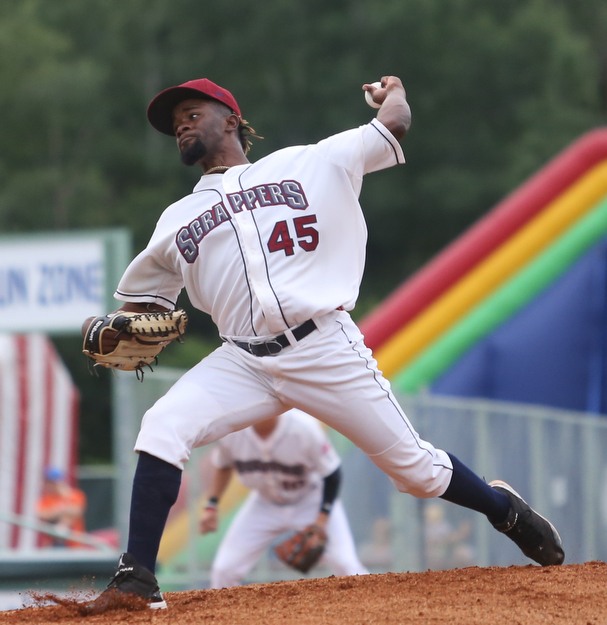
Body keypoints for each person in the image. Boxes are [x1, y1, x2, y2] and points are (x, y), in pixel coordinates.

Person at [83, 75, 564, 612]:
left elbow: (393, 127)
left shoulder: (310, 162)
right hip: (241, 359)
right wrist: (124, 324)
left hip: (323, 345)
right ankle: (136, 580)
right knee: (164, 424)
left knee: (416, 472)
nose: (181, 125)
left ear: (233, 120)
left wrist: (395, 91)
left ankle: (506, 511)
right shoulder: (175, 221)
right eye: (175, 123)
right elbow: (146, 306)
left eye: (192, 113)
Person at [199, 408, 368, 587]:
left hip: (311, 500)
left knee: (346, 564)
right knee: (224, 570)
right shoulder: (232, 430)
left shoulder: (304, 427)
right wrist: (212, 504)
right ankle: (222, 615)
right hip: (263, 504)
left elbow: (332, 473)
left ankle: (377, 608)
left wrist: (321, 519)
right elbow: (223, 464)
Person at [36, 467, 87, 548]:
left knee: (66, 519)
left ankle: (62, 528)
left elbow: (76, 511)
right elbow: (42, 514)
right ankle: (61, 529)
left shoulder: (75, 495)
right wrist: (60, 510)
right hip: (52, 543)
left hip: (74, 544)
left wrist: (60, 514)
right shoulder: (46, 499)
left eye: (49, 482)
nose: (46, 485)